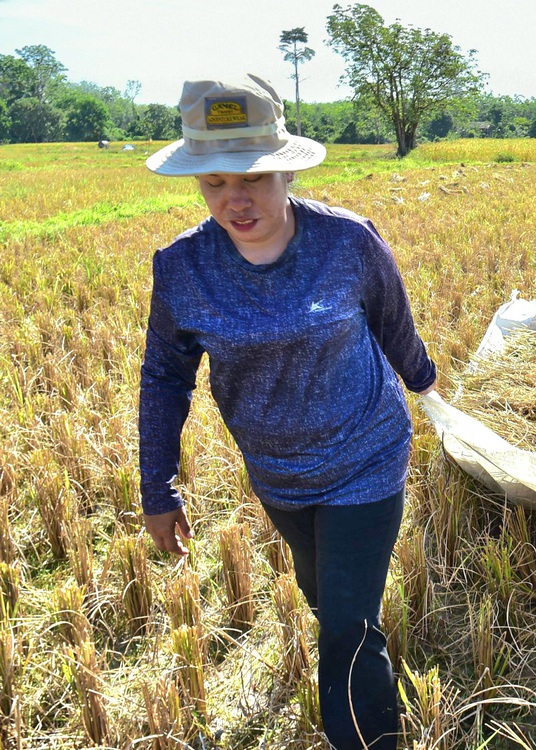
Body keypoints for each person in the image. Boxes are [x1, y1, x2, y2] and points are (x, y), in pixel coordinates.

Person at [139, 73, 435, 750]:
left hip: (367, 455)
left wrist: (429, 386)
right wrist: (156, 486)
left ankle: (366, 736)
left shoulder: (348, 243)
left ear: (286, 172)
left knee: (344, 629)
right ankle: (365, 647)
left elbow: (394, 325)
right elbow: (163, 376)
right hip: (278, 475)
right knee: (326, 597)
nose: (234, 199)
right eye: (213, 182)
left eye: (254, 178)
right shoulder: (182, 268)